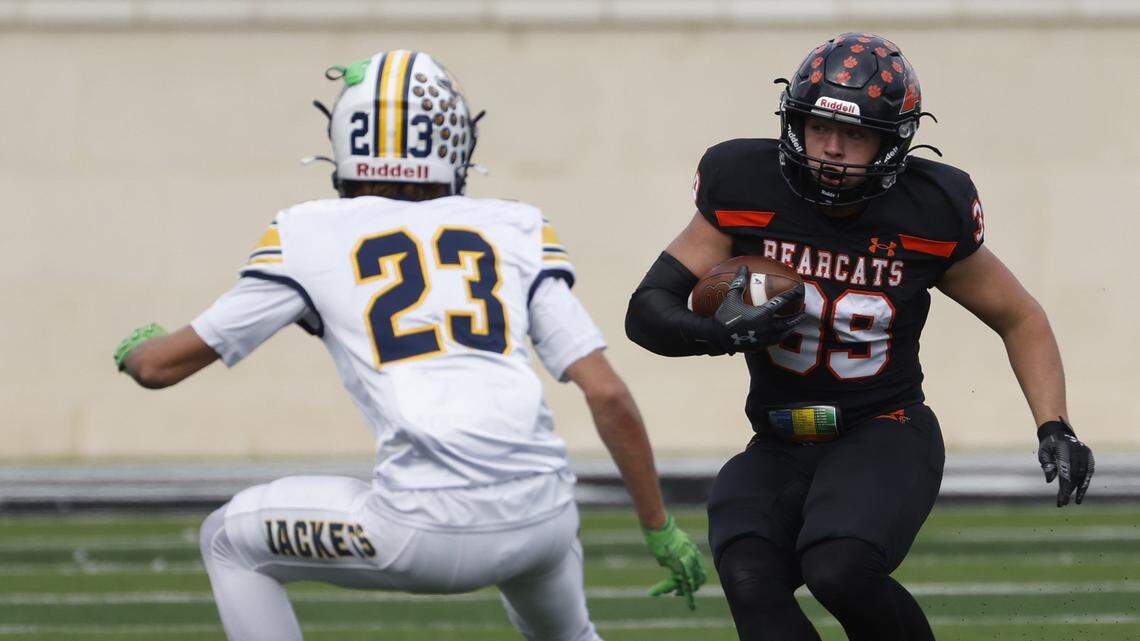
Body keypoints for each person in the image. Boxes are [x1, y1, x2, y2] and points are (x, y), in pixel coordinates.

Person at [114, 49, 705, 641]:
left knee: (227, 540)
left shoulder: (309, 231)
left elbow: (162, 368)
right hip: (543, 521)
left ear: (349, 138)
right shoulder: (514, 226)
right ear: (453, 141)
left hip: (425, 527)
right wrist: (658, 527)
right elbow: (608, 394)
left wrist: (138, 348)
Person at [625, 33, 1095, 641]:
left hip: (884, 428)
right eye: (820, 127)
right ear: (795, 122)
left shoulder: (930, 210)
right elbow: (646, 310)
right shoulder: (743, 184)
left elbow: (1020, 316)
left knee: (838, 565)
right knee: (746, 565)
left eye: (857, 133)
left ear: (892, 141)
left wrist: (1053, 422)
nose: (833, 148)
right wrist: (719, 332)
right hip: (778, 437)